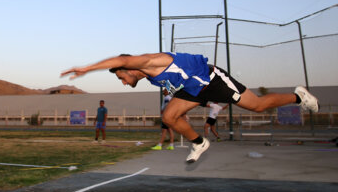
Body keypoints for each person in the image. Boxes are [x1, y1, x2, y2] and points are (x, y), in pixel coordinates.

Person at [61, 52, 319, 163]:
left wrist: (87, 68)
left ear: (128, 70)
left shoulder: (150, 62)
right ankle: (199, 142)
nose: (125, 83)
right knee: (170, 116)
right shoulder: (151, 77)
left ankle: (298, 97)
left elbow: (124, 58)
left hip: (212, 80)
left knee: (258, 106)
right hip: (194, 91)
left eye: (122, 78)